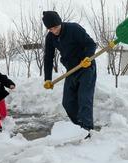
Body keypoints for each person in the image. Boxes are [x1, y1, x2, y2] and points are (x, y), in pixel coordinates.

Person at [42, 10, 98, 138]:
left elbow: (91, 44)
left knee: (84, 99)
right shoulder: (50, 37)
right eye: (50, 29)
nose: (54, 31)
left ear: (60, 22)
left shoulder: (74, 29)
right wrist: (47, 79)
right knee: (68, 102)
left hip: (86, 67)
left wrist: (88, 58)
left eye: (55, 27)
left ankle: (87, 130)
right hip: (71, 70)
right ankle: (78, 127)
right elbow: (48, 58)